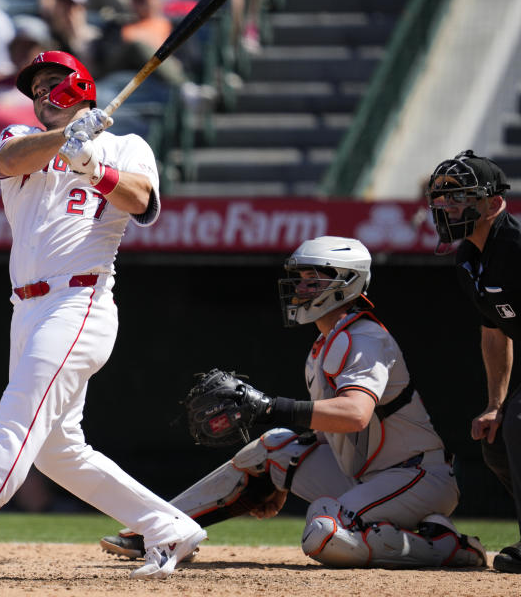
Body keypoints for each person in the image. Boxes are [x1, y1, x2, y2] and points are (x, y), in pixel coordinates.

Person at [0, 50, 206, 581]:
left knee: (17, 417)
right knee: (58, 451)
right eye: (35, 90)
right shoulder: (19, 139)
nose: (40, 96)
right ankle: (167, 526)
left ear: (80, 84)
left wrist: (94, 165)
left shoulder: (127, 146)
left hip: (80, 302)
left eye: (51, 84)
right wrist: (67, 140)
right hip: (27, 307)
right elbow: (8, 164)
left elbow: (142, 201)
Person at [100, 235, 488, 570]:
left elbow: (355, 414)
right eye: (300, 278)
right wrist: (279, 477)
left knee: (323, 533)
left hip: (416, 477)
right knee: (275, 447)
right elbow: (331, 431)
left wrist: (270, 406)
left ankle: (446, 545)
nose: (301, 287)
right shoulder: (326, 343)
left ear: (345, 282)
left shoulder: (364, 337)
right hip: (367, 475)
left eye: (312, 278)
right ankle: (164, 529)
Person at [426, 150, 521, 574]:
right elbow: (494, 330)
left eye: (459, 197)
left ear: (494, 203)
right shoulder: (468, 259)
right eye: (441, 199)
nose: (446, 207)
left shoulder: (516, 247)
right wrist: (495, 402)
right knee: (498, 441)